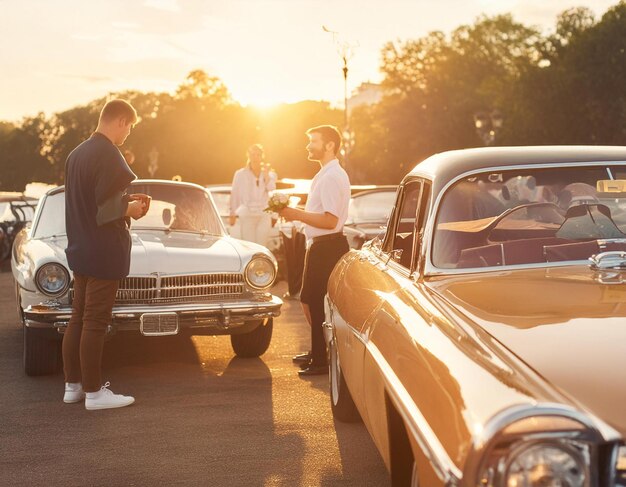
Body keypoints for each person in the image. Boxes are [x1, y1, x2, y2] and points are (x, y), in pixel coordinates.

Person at [63, 99, 147, 410]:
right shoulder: (109, 153)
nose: (129, 134)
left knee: (78, 318)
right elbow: (107, 210)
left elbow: (89, 202)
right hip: (102, 249)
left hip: (80, 248)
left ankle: (73, 387)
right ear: (121, 120)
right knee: (96, 321)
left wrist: (122, 205)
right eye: (131, 127)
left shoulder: (76, 154)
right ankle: (95, 393)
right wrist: (133, 208)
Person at [278, 125, 350, 376]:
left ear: (329, 145)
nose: (308, 146)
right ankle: (318, 352)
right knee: (309, 300)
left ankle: (321, 359)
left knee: (315, 302)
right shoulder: (325, 174)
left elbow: (330, 221)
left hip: (328, 246)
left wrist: (295, 214)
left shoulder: (331, 176)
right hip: (320, 245)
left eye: (313, 141)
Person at [229, 144, 277, 246]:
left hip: (264, 214)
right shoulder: (240, 174)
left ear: (262, 156)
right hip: (247, 214)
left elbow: (271, 188)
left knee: (262, 245)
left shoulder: (270, 173)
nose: (255, 157)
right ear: (248, 156)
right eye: (253, 155)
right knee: (249, 245)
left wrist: (266, 174)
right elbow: (235, 193)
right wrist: (232, 213)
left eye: (258, 155)